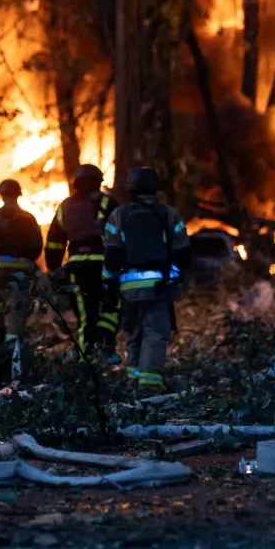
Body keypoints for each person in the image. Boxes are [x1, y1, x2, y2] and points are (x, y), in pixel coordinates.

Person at [102, 167, 190, 395]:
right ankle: (149, 384)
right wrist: (176, 277)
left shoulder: (118, 215)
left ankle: (133, 381)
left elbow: (112, 257)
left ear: (131, 189)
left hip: (128, 288)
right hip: (158, 286)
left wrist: (108, 284)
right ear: (155, 188)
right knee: (155, 332)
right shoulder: (168, 214)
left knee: (133, 334)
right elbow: (183, 253)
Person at [45, 164, 120, 357]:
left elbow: (54, 242)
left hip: (77, 271)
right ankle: (103, 345)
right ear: (99, 181)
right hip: (105, 269)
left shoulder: (65, 206)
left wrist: (54, 271)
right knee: (113, 308)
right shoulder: (109, 203)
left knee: (86, 318)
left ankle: (87, 365)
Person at [0, 179, 43, 385]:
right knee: (16, 321)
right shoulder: (29, 218)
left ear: (1, 195)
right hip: (21, 276)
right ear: (18, 195)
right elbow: (37, 246)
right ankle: (13, 372)